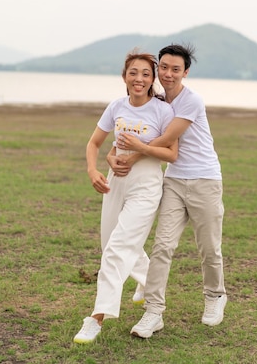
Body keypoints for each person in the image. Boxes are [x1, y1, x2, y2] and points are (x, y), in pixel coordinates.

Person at [109, 44, 227, 339]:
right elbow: (138, 130)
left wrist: (132, 156)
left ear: (185, 72)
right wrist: (114, 155)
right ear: (158, 69)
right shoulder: (158, 100)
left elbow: (164, 139)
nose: (168, 74)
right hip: (173, 181)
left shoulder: (191, 101)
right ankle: (153, 311)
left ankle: (215, 296)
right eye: (164, 68)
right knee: (162, 247)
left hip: (204, 180)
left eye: (176, 69)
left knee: (209, 248)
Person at [73, 50, 178, 344]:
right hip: (115, 182)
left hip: (146, 186)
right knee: (111, 243)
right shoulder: (116, 106)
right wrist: (94, 170)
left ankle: (96, 317)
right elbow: (95, 143)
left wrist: (136, 149)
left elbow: (171, 153)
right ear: (124, 76)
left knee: (117, 248)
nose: (139, 79)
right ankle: (147, 282)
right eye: (133, 72)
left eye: (146, 74)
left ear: (152, 79)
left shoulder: (163, 111)